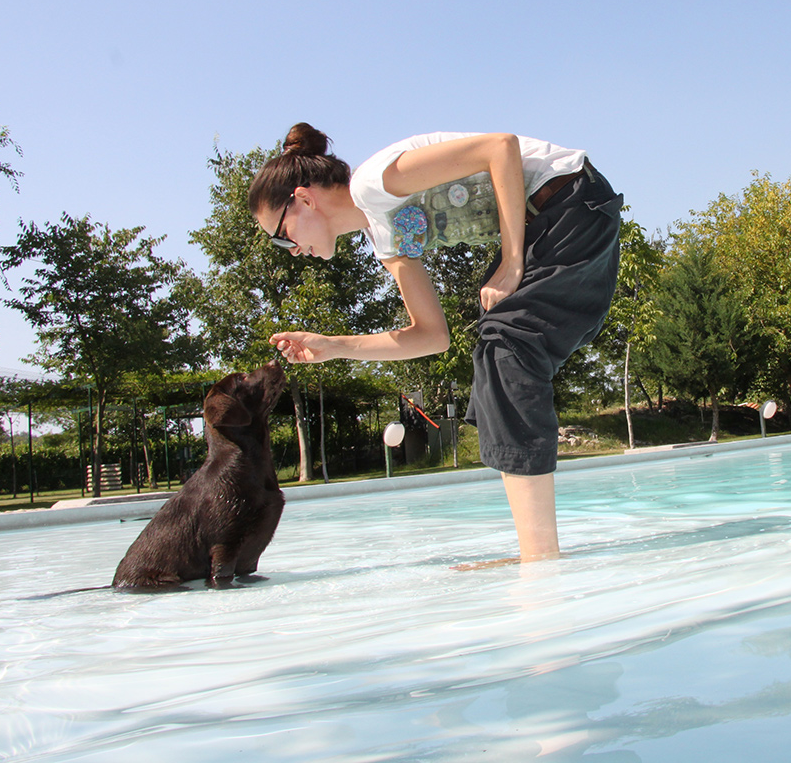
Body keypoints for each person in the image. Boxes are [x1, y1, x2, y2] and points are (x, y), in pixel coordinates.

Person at [249, 124, 622, 564]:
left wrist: (511, 260)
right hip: (553, 222)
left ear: (304, 199)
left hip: (569, 200)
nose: (290, 250)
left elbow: (499, 147)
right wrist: (335, 345)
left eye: (281, 235)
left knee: (507, 350)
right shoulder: (384, 239)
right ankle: (536, 551)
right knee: (493, 361)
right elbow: (431, 335)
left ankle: (540, 556)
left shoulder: (375, 182)